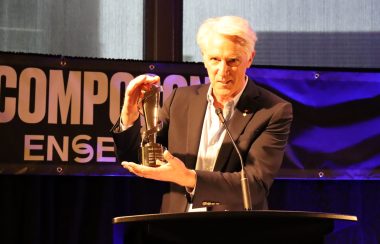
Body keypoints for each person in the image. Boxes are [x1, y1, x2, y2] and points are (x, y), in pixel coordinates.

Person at [112, 16, 292, 213]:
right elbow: (140, 161)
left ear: (249, 59)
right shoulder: (180, 100)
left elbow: (255, 186)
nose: (223, 71)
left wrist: (188, 178)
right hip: (175, 230)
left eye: (233, 61)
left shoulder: (272, 110)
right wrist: (129, 115)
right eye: (215, 59)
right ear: (204, 58)